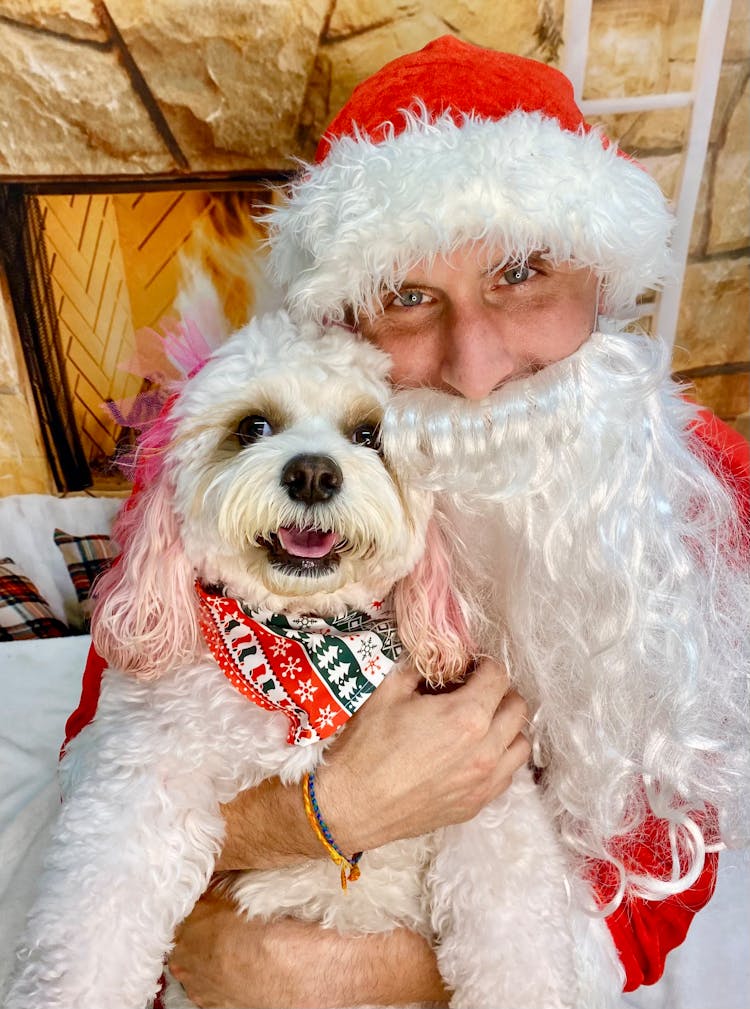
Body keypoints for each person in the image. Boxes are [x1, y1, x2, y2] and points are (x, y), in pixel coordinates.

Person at [64, 35, 750, 1008]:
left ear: (602, 273)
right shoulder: (229, 466)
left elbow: (666, 873)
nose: (474, 369)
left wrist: (328, 976)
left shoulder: (700, 490)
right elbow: (98, 751)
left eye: (520, 272)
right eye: (408, 296)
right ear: (342, 321)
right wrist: (321, 814)